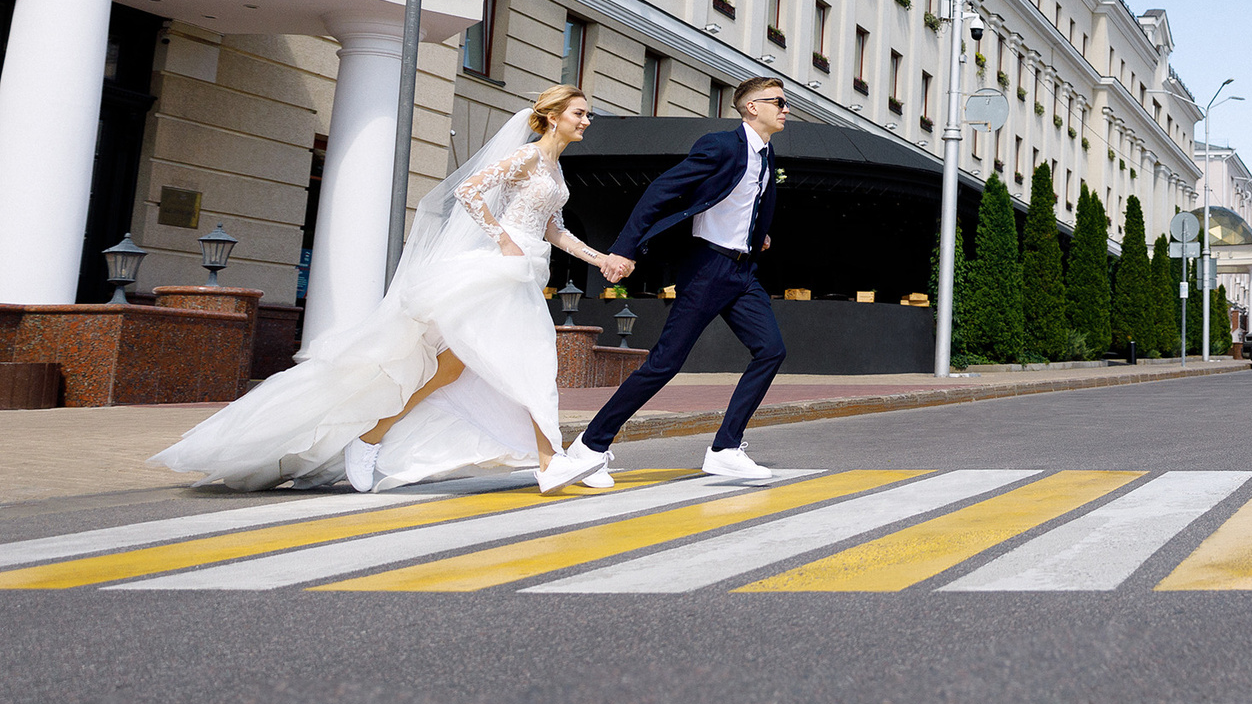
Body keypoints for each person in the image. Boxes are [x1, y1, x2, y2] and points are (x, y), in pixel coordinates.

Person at [152, 86, 629, 493]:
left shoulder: (555, 169)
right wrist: (502, 238)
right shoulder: (527, 156)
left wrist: (601, 258)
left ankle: (374, 437)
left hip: (522, 274)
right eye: (580, 113)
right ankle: (548, 462)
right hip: (496, 273)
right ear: (552, 116)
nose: (587, 120)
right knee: (528, 362)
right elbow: (468, 191)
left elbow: (554, 230)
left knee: (453, 370)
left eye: (587, 114)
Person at [539, 78, 790, 491]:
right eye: (778, 102)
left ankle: (726, 449)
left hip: (743, 272)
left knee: (771, 350)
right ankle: (590, 445)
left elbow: (747, 201)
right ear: (751, 107)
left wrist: (756, 234)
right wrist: (624, 249)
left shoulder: (767, 153)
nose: (785, 109)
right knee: (664, 363)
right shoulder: (721, 145)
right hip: (708, 268)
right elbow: (662, 190)